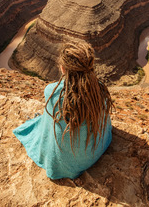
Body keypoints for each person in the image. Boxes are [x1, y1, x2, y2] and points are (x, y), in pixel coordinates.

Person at [13, 41, 113, 179]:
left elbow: (48, 128)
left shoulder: (52, 92)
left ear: (63, 68)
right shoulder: (99, 90)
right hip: (96, 152)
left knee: (42, 122)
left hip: (66, 165)